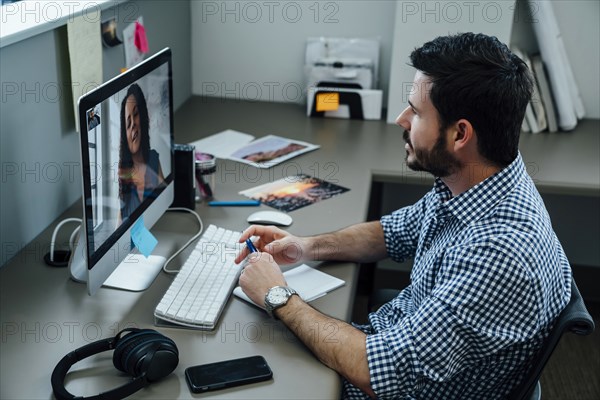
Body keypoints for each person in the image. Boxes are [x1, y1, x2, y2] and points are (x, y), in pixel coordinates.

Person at [234, 33, 571, 399]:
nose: (401, 119)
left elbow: (378, 371)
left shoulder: (498, 253)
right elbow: (392, 232)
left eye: (416, 111)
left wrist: (278, 295)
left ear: (460, 134)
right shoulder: (478, 179)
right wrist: (305, 246)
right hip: (390, 344)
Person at [118, 83, 165, 222]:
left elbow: (167, 197)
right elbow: (120, 216)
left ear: (143, 117)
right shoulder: (123, 170)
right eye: (127, 123)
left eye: (136, 114)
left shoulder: (153, 159)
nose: (133, 124)